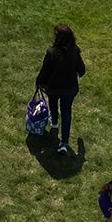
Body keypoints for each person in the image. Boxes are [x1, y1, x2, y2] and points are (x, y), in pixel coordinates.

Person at [36, 23, 86, 154]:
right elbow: (82, 70)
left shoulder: (51, 52)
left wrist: (39, 81)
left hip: (54, 88)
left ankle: (54, 123)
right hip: (70, 89)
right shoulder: (75, 51)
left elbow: (45, 71)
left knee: (52, 101)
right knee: (66, 112)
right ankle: (64, 143)